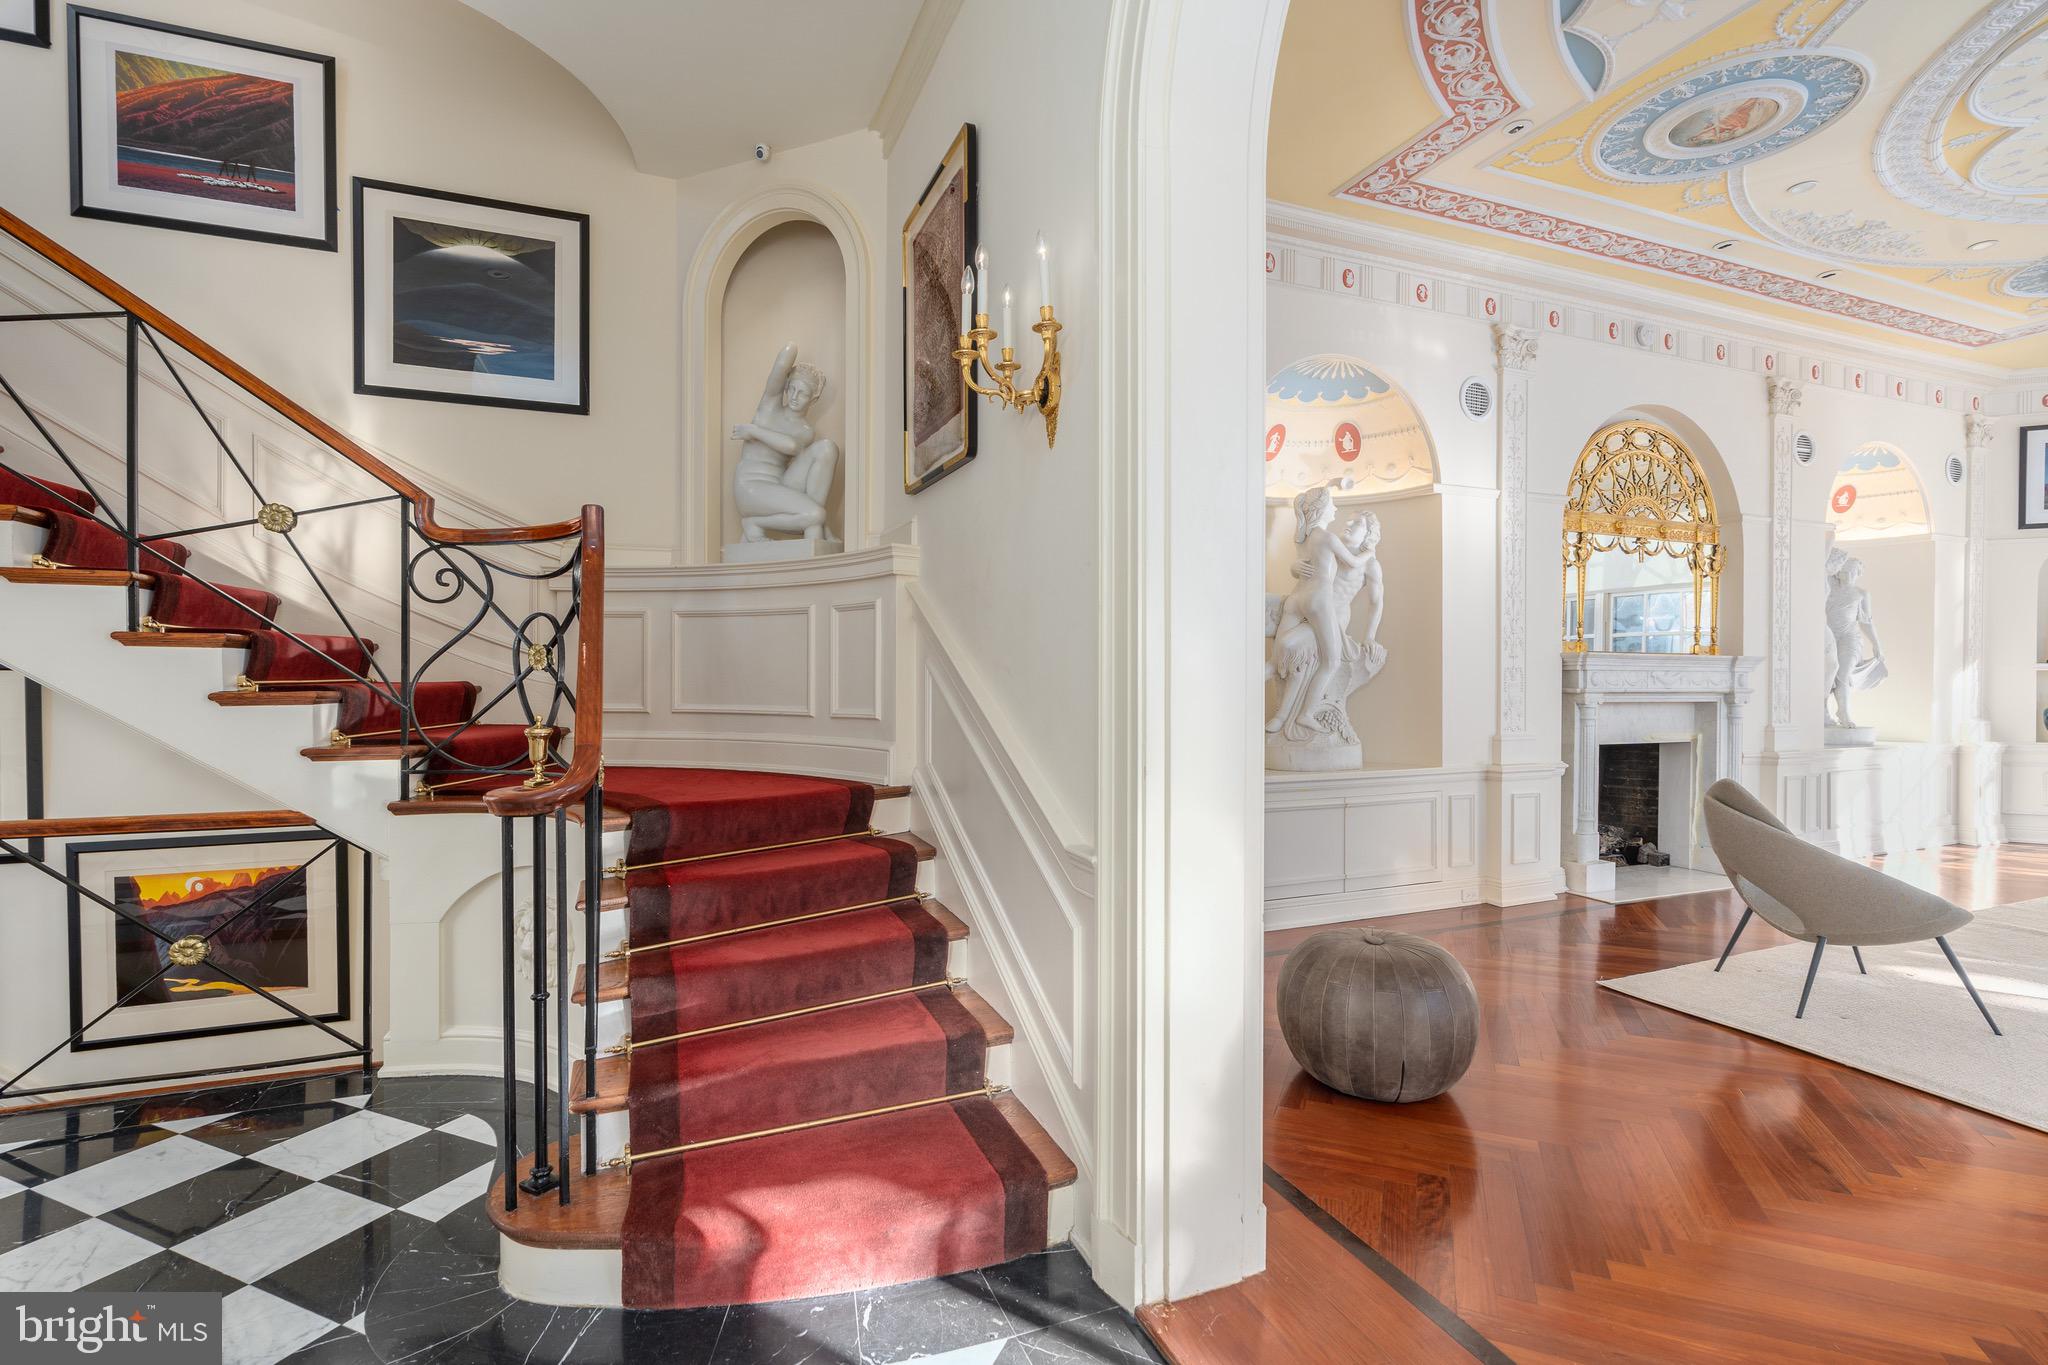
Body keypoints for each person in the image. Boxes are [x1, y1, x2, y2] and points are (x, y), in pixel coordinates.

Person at [732, 344, 838, 542]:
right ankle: (816, 523)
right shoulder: (770, 406)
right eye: (792, 389)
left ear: (813, 399)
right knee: (816, 515)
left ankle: (758, 524)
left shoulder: (806, 431)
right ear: (786, 387)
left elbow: (791, 446)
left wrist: (754, 431)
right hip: (751, 486)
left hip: (780, 484)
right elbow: (783, 362)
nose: (795, 397)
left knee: (827, 448)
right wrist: (792, 348)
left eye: (803, 393)